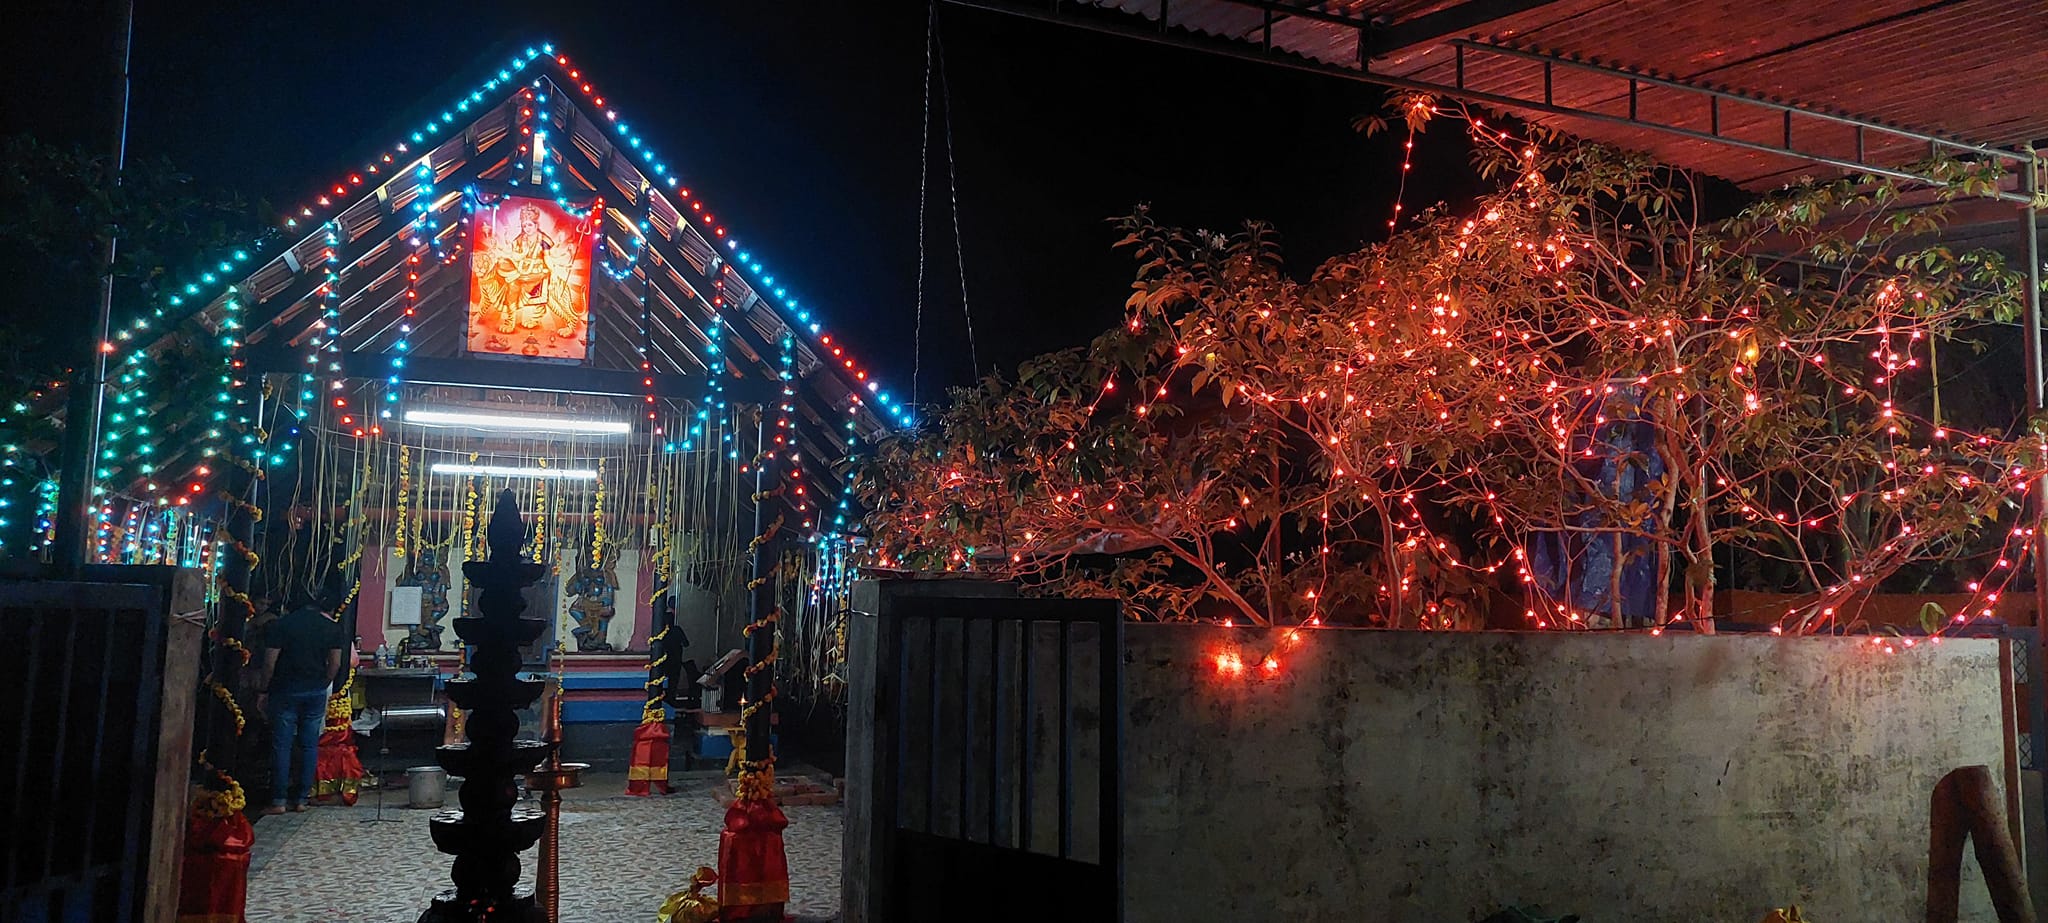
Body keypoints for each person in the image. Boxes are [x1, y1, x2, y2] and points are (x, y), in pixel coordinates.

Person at [257, 593, 345, 815]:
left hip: (285, 689)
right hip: (315, 689)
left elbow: (269, 663)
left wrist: (264, 689)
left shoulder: (281, 625)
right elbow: (335, 663)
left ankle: (278, 800)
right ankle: (301, 799)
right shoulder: (331, 628)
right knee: (309, 745)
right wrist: (324, 681)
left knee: (282, 745)